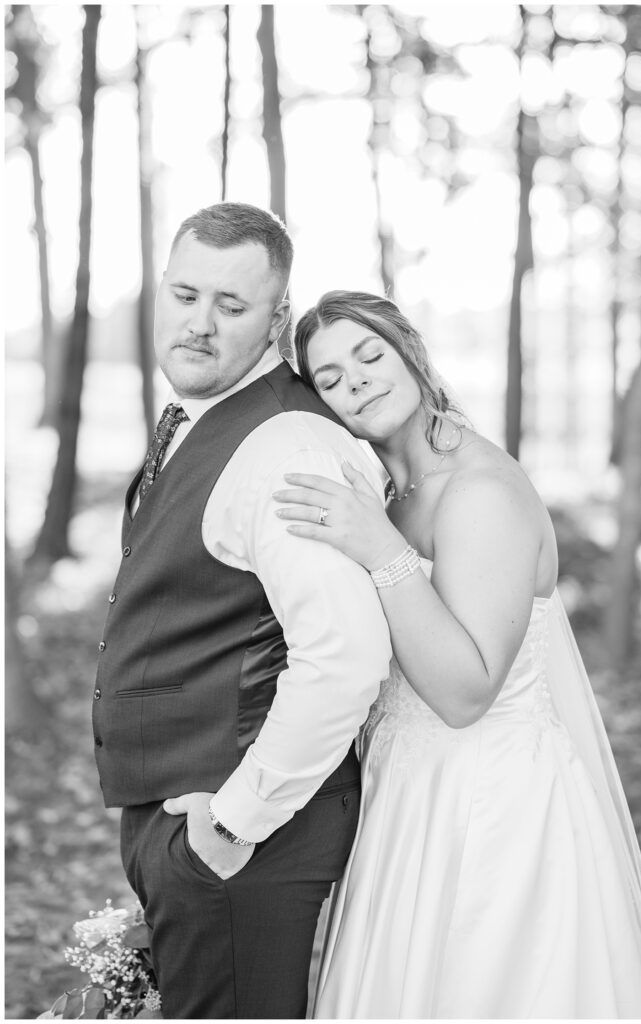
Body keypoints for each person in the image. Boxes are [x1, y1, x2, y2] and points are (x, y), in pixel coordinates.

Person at [272, 290, 641, 1019]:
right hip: (404, 800)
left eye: (370, 356)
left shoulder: (480, 492)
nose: (356, 380)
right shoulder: (393, 494)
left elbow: (467, 693)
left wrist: (381, 550)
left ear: (412, 356)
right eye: (330, 378)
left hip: (492, 810)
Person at [92, 209, 392, 1019]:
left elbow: (344, 656)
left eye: (231, 305)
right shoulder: (210, 418)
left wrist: (231, 825)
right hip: (196, 820)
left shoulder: (290, 445)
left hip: (242, 829)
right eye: (185, 294)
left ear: (276, 319)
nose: (200, 323)